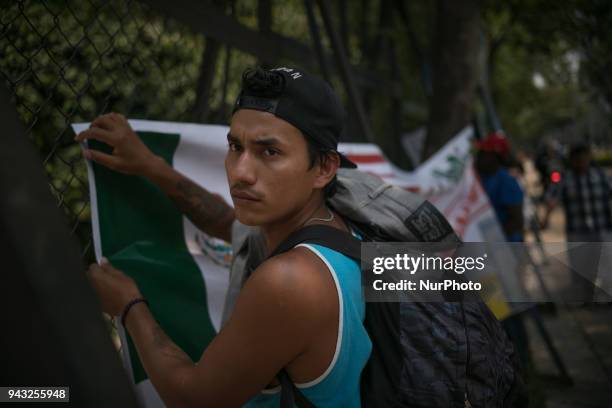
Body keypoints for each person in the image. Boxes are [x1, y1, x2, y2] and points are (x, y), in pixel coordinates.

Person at [77, 67, 372, 407]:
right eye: (235, 146)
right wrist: (151, 166)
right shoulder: (346, 230)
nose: (240, 173)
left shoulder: (290, 281)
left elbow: (194, 399)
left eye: (269, 152)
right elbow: (229, 223)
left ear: (323, 168)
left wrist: (128, 306)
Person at [541, 143, 612, 302]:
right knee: (582, 268)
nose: (581, 163)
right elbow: (551, 199)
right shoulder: (565, 179)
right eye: (577, 160)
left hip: (602, 229)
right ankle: (586, 297)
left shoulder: (600, 176)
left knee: (607, 266)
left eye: (584, 159)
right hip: (577, 232)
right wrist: (546, 217)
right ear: (572, 161)